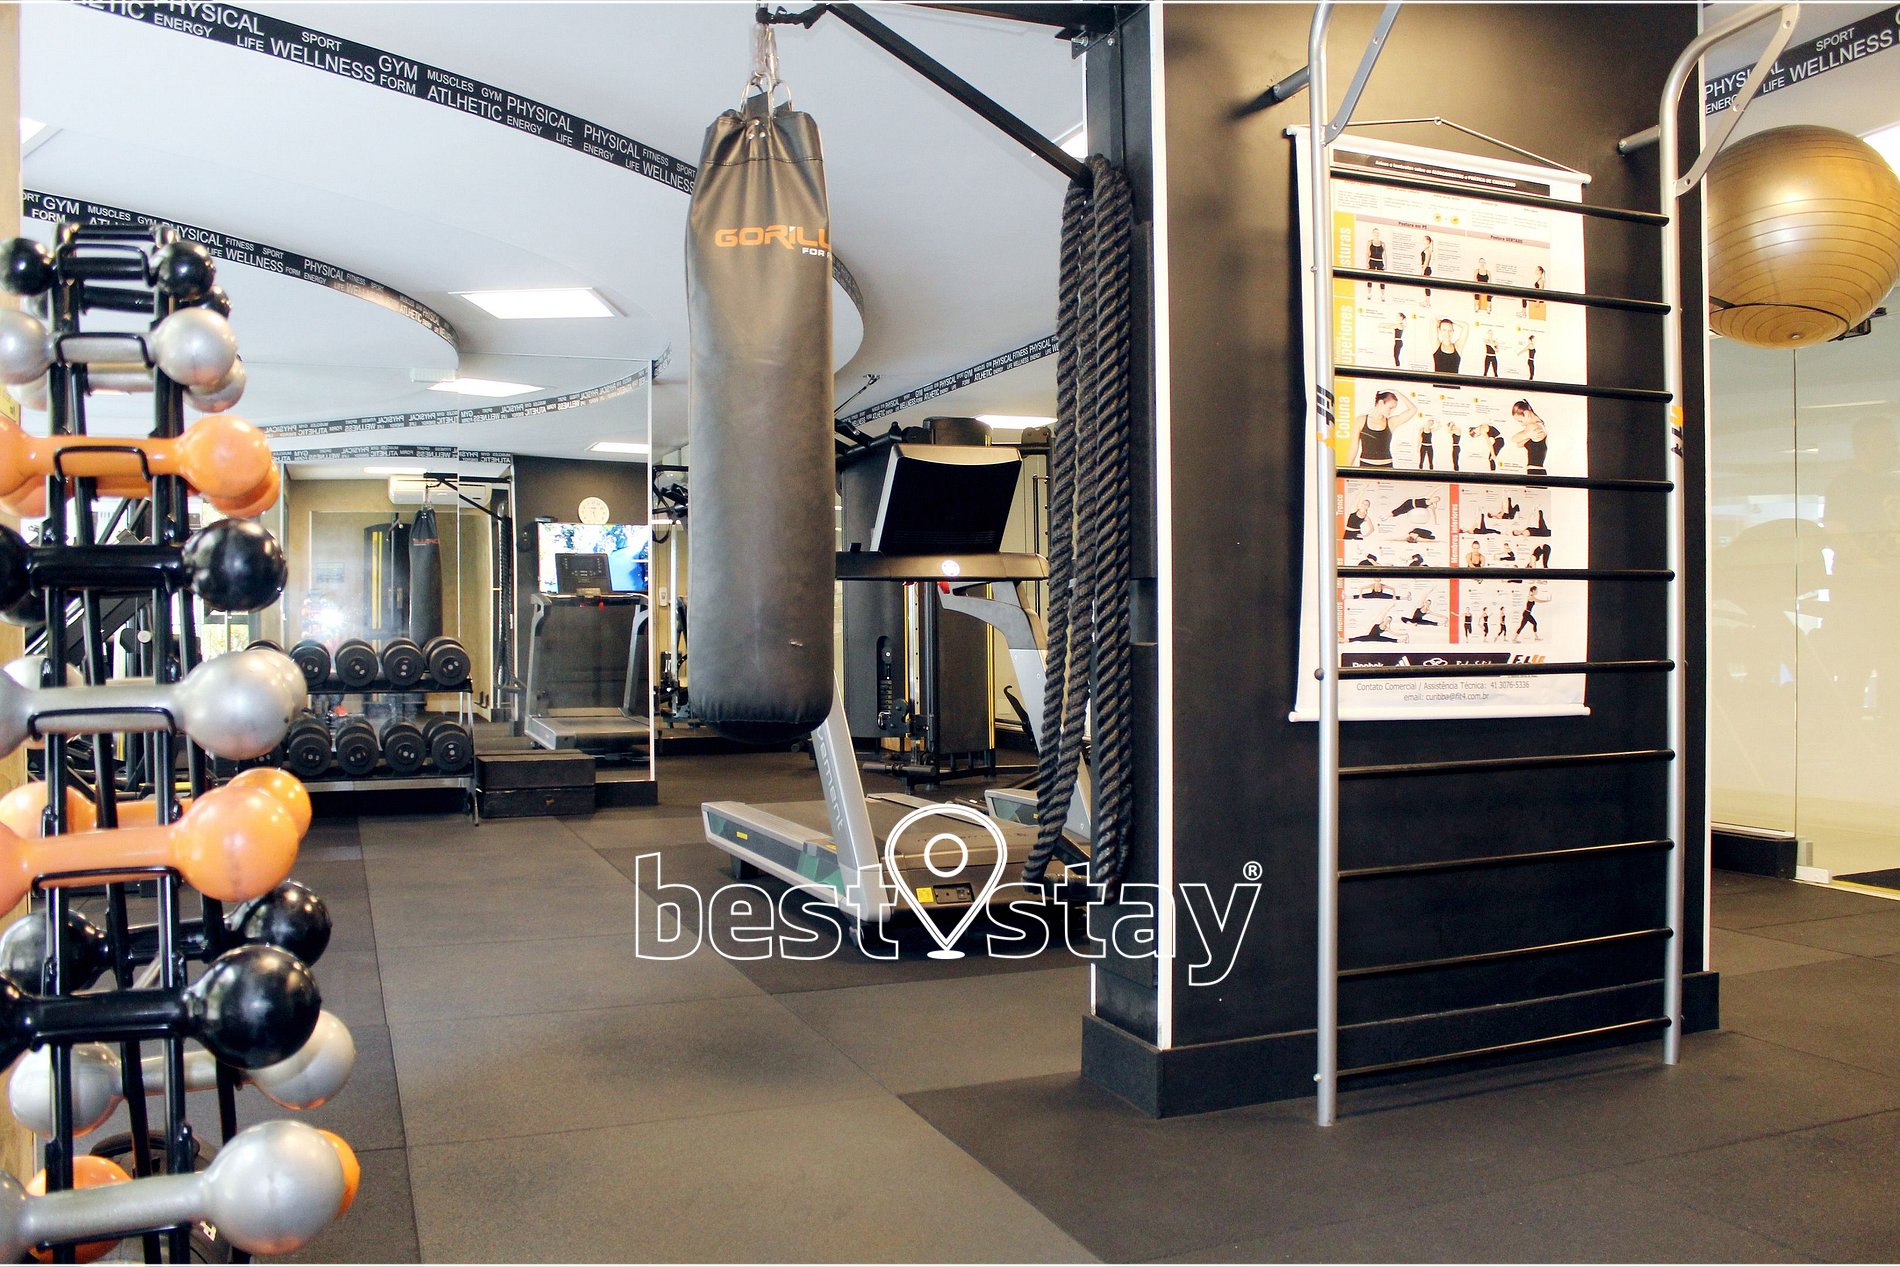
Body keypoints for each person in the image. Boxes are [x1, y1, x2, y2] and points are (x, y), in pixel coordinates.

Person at [1348, 389, 1416, 468]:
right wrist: (1347, 469)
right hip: (1366, 466)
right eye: (1390, 408)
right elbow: (1354, 447)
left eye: (1394, 409)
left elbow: (1413, 410)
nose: (1392, 411)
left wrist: (1398, 393)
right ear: (1381, 403)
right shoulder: (1360, 420)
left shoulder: (1391, 422)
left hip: (1387, 467)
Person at [1510, 401, 1549, 475]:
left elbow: (1513, 439)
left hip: (1536, 472)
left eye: (1521, 421)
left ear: (1527, 413)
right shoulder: (1538, 425)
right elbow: (1519, 444)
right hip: (1536, 472)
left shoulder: (1534, 426)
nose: (1522, 424)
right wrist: (1527, 435)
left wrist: (1526, 435)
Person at [1366, 228, 1387, 297]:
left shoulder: (1382, 243)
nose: (1376, 234)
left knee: (1382, 278)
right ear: (1373, 233)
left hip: (1380, 261)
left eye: (1377, 233)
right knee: (1370, 277)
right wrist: (1367, 262)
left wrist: (1386, 264)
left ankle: (1382, 295)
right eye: (1375, 232)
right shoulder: (1369, 242)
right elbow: (1367, 253)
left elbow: (1385, 254)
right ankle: (1369, 293)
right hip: (1372, 260)